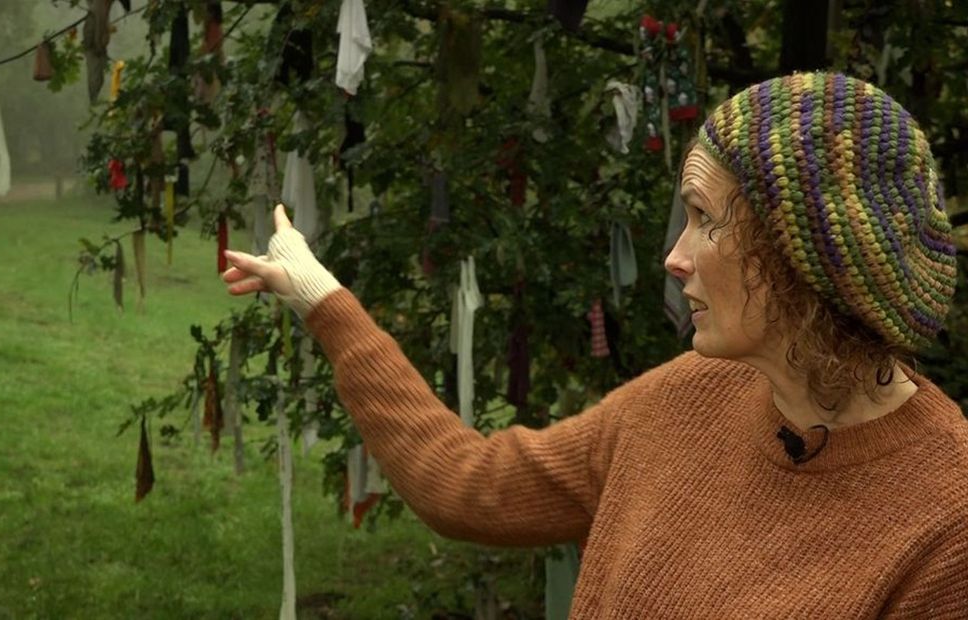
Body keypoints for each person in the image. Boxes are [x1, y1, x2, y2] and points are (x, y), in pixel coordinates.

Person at [221, 72, 967, 618]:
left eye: (705, 219)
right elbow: (467, 482)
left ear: (804, 254)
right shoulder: (682, 400)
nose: (675, 258)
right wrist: (321, 298)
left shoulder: (944, 521)